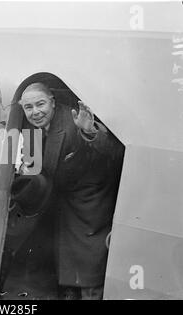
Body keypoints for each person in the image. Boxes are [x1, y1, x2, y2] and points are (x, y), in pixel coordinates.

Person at [17, 82, 124, 300]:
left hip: (89, 208)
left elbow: (116, 154)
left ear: (53, 102)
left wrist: (90, 132)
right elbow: (34, 165)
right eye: (29, 107)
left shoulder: (75, 120)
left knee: (88, 275)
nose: (35, 112)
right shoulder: (30, 128)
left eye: (41, 104)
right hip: (60, 203)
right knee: (62, 271)